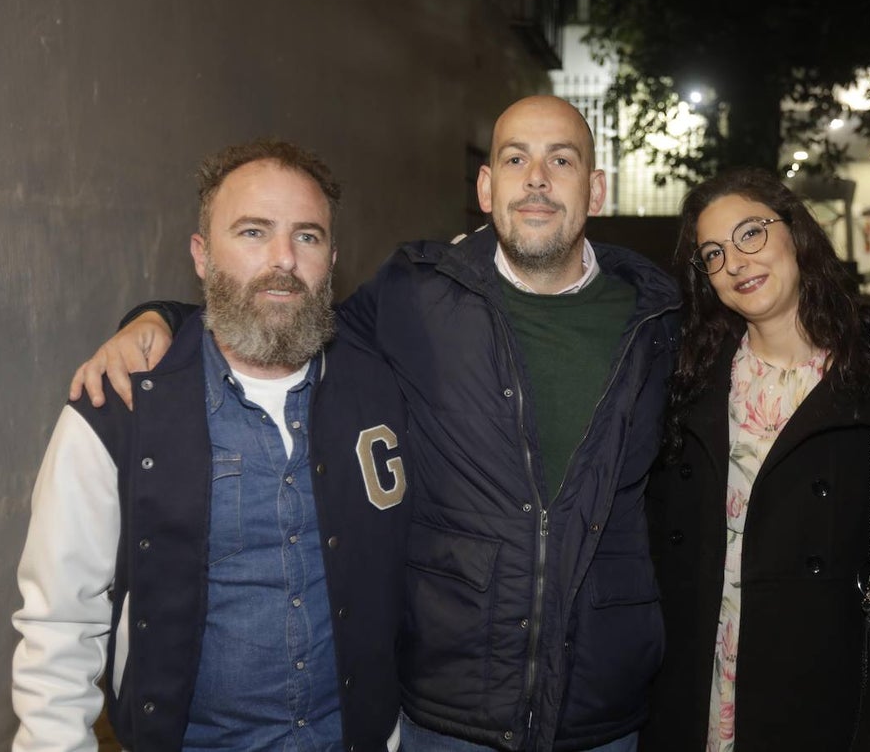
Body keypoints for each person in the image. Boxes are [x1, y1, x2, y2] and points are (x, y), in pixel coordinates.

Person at [68, 96, 680, 751]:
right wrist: (159, 317)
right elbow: (281, 319)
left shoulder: (656, 320)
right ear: (484, 185)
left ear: (595, 187)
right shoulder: (415, 293)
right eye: (514, 158)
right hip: (449, 712)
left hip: (600, 710)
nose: (535, 177)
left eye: (561, 159)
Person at [13, 140, 409, 752]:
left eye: (306, 237)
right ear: (202, 256)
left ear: (331, 259)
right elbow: (60, 625)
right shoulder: (119, 408)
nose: (283, 259)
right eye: (253, 232)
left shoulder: (381, 388)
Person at [639, 168, 870, 751]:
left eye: (751, 234)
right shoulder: (692, 375)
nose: (735, 262)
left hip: (817, 690)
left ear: (795, 233)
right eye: (713, 253)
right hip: (694, 683)